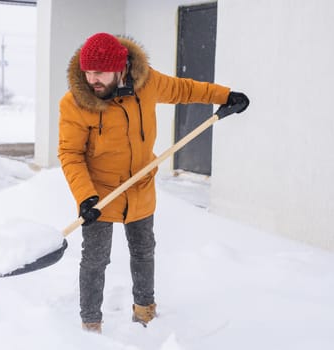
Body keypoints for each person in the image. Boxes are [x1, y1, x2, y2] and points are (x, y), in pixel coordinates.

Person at [57, 32, 249, 333]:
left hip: (140, 186)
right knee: (95, 260)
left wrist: (224, 96)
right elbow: (70, 154)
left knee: (144, 251)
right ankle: (90, 323)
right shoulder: (75, 103)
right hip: (100, 193)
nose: (92, 79)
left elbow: (183, 89)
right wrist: (86, 197)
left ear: (120, 68)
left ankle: (145, 311)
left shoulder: (146, 83)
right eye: (88, 72)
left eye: (99, 72)